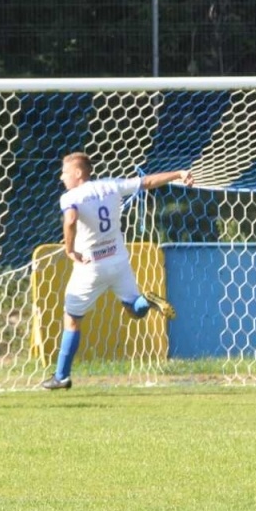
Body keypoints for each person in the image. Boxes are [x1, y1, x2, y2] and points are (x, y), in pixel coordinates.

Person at [40, 152, 192, 391]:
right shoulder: (111, 185)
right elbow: (148, 182)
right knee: (134, 309)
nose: (61, 176)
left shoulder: (71, 196)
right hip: (118, 260)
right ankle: (146, 300)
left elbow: (70, 221)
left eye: (65, 172)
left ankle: (61, 376)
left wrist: (69, 250)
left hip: (91, 267)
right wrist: (179, 173)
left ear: (78, 173)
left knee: (72, 319)